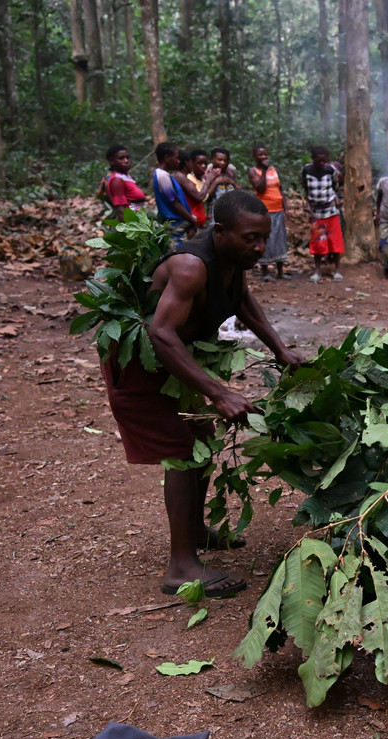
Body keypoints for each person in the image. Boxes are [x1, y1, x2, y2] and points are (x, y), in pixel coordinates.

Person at [99, 190, 303, 598]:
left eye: (264, 238)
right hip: (146, 363)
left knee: (201, 443)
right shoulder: (191, 266)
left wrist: (280, 349)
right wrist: (217, 392)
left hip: (179, 360)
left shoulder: (233, 260)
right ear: (221, 231)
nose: (260, 248)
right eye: (250, 238)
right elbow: (160, 333)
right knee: (180, 451)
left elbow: (242, 300)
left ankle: (192, 530)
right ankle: (181, 566)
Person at [301, 145, 344, 282]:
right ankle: (317, 271)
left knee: (334, 241)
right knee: (318, 242)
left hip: (330, 211)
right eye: (319, 160)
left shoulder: (330, 170)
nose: (322, 163)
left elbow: (335, 187)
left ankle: (337, 271)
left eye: (324, 161)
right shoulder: (306, 170)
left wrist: (337, 200)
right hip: (315, 212)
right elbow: (306, 189)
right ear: (313, 159)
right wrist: (307, 205)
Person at [248, 144, 290, 281]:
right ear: (255, 156)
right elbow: (260, 188)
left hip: (278, 210)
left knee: (280, 239)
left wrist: (286, 208)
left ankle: (280, 271)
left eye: (265, 154)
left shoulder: (274, 170)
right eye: (260, 155)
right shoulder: (253, 171)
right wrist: (264, 171)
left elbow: (280, 189)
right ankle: (265, 271)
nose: (264, 157)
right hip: (264, 211)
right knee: (265, 240)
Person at [152, 142, 197, 247]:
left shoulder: (165, 175)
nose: (178, 161)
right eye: (176, 157)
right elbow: (174, 203)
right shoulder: (162, 176)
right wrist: (192, 220)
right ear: (166, 157)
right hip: (174, 225)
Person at [98, 145, 145, 221]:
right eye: (121, 158)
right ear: (112, 161)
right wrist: (130, 230)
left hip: (136, 218)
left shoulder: (124, 177)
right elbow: (120, 209)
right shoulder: (117, 180)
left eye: (127, 157)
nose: (126, 161)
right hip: (131, 223)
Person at [206, 148, 240, 214]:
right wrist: (216, 182)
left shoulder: (230, 172)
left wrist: (233, 183)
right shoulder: (207, 172)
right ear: (212, 159)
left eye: (225, 161)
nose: (223, 163)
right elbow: (206, 197)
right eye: (220, 160)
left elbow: (239, 192)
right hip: (213, 211)